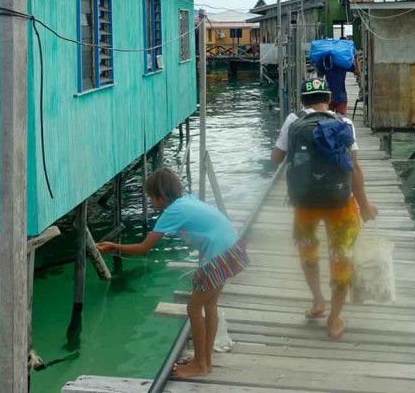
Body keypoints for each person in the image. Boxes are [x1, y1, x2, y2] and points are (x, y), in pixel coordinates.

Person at [96, 168, 247, 379]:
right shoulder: (186, 200)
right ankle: (204, 361)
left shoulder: (172, 212)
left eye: (151, 197)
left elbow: (143, 248)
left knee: (193, 307)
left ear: (162, 196)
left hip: (217, 256)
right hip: (231, 247)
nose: (151, 202)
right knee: (210, 304)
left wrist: (113, 246)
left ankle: (201, 364)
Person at [271, 78, 378, 339]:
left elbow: (276, 159)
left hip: (305, 202)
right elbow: (354, 168)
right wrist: (364, 205)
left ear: (304, 100)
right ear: (328, 100)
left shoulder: (292, 121)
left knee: (308, 251)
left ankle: (318, 300)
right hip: (340, 203)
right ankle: (334, 318)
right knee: (341, 257)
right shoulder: (345, 123)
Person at [316, 41, 361, 116]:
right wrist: (356, 58)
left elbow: (319, 79)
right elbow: (358, 72)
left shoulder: (325, 63)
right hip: (341, 97)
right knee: (341, 123)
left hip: (328, 97)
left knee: (327, 121)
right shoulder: (342, 63)